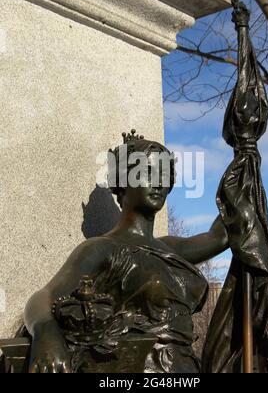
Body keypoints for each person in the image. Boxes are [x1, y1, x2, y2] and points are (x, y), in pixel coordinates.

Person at [25, 130, 228, 373]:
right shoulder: (103, 248)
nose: (158, 183)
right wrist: (46, 333)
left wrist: (245, 150)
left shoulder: (171, 248)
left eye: (164, 175)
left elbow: (222, 235)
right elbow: (43, 298)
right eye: (147, 173)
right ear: (123, 182)